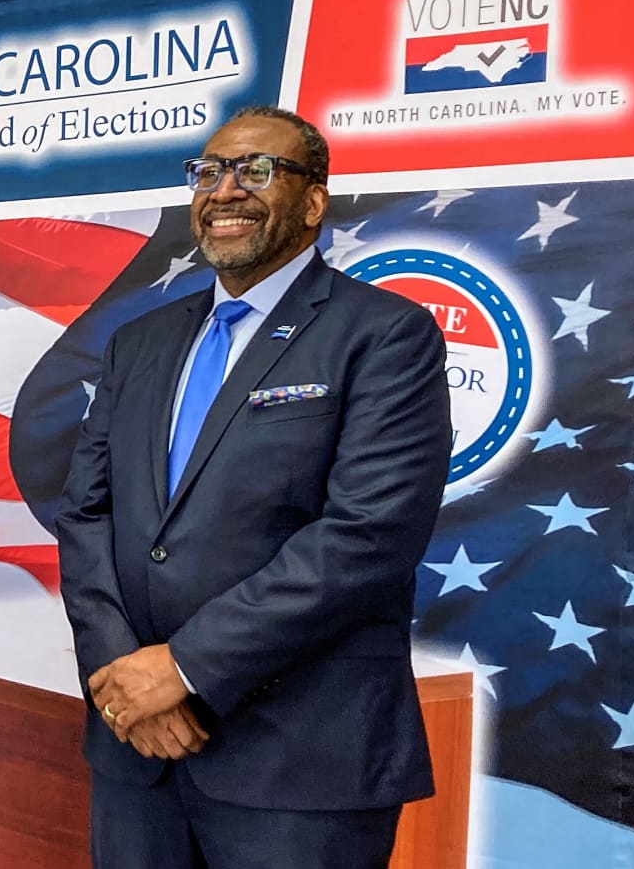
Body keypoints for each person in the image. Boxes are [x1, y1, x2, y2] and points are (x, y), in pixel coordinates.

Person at [56, 106, 452, 869]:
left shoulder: (385, 334)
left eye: (256, 170)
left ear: (313, 201)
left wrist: (181, 670)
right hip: (137, 750)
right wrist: (122, 679)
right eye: (208, 172)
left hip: (302, 762)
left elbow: (369, 534)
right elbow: (86, 514)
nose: (225, 190)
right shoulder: (139, 342)